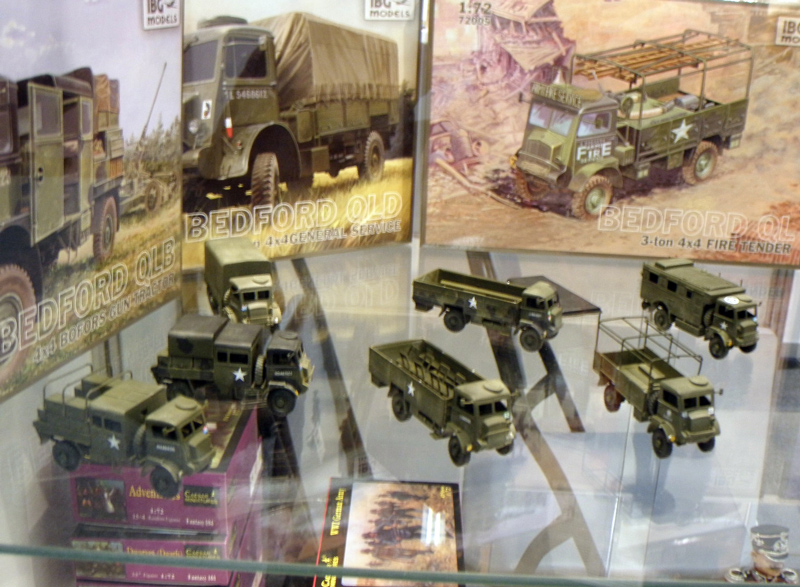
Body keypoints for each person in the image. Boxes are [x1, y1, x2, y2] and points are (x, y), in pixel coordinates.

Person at [726, 525, 798, 583]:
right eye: (771, 559)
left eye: (780, 559)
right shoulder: (739, 580)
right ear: (754, 556)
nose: (778, 565)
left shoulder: (790, 581)